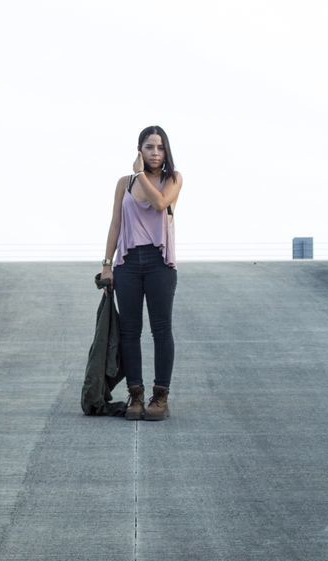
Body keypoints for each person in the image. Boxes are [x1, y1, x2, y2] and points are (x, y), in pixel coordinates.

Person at [100, 125, 183, 421]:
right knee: (129, 332)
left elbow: (159, 203)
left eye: (160, 148)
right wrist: (107, 264)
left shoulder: (172, 179)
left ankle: (160, 397)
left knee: (161, 330)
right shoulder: (124, 183)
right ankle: (135, 395)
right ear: (140, 150)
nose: (156, 153)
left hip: (160, 262)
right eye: (149, 147)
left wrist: (139, 175)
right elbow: (115, 224)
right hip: (128, 262)